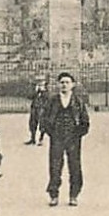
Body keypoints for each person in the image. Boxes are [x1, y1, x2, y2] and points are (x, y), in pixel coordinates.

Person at [40, 71, 90, 206]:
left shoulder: (78, 101)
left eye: (67, 82)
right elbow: (44, 118)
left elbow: (85, 120)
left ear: (72, 85)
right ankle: (54, 195)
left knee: (75, 166)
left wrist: (78, 134)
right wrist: (51, 133)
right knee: (55, 166)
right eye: (62, 82)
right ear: (58, 85)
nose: (64, 85)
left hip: (73, 138)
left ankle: (74, 195)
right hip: (57, 137)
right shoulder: (52, 100)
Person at [26, 77, 49, 145]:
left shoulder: (47, 91)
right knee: (32, 123)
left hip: (42, 109)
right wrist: (35, 91)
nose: (39, 85)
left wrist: (43, 91)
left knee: (42, 124)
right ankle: (32, 139)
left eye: (41, 83)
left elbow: (48, 98)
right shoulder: (35, 91)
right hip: (34, 108)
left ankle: (41, 139)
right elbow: (29, 96)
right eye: (38, 83)